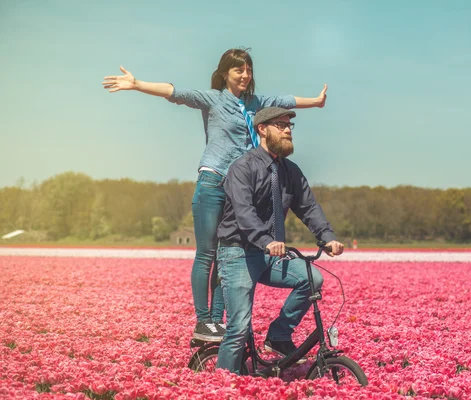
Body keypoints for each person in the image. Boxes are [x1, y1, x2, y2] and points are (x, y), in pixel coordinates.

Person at [102, 48, 328, 342]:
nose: (245, 75)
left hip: (242, 187)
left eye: (248, 70)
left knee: (228, 255)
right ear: (225, 74)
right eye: (238, 71)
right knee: (207, 253)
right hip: (213, 181)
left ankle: (219, 322)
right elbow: (175, 92)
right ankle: (203, 321)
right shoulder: (213, 99)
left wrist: (317, 102)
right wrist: (137, 84)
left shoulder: (256, 102)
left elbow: (287, 101)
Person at [215, 107, 344, 374]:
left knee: (311, 279)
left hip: (267, 254)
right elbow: (244, 212)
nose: (287, 130)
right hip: (237, 252)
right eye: (280, 125)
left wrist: (327, 238)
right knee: (239, 328)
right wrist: (265, 240)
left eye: (289, 126)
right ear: (262, 129)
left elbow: (308, 208)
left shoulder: (291, 172)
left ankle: (279, 336)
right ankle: (221, 384)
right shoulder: (243, 168)